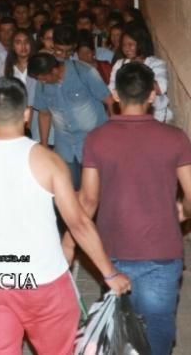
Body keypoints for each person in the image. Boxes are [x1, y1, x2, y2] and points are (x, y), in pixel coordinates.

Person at [0, 78, 131, 355]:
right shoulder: (49, 161)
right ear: (27, 115)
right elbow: (78, 222)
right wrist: (109, 273)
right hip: (47, 280)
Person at [68, 63, 191, 355]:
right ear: (152, 94)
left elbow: (87, 200)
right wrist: (183, 212)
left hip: (112, 253)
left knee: (121, 333)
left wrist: (70, 239)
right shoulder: (176, 138)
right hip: (163, 251)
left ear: (115, 94)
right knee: (158, 332)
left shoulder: (97, 139)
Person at [29, 52, 112, 189]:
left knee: (96, 190)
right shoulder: (42, 84)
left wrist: (112, 133)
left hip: (93, 142)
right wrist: (44, 145)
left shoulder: (84, 72)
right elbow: (44, 114)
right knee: (69, 190)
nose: (42, 82)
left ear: (55, 70)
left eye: (44, 78)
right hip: (65, 147)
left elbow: (109, 101)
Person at [107, 24, 171, 123]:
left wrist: (137, 69)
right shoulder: (120, 64)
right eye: (124, 45)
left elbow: (161, 88)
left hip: (155, 117)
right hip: (128, 116)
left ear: (140, 44)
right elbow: (112, 89)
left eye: (131, 44)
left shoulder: (156, 63)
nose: (127, 48)